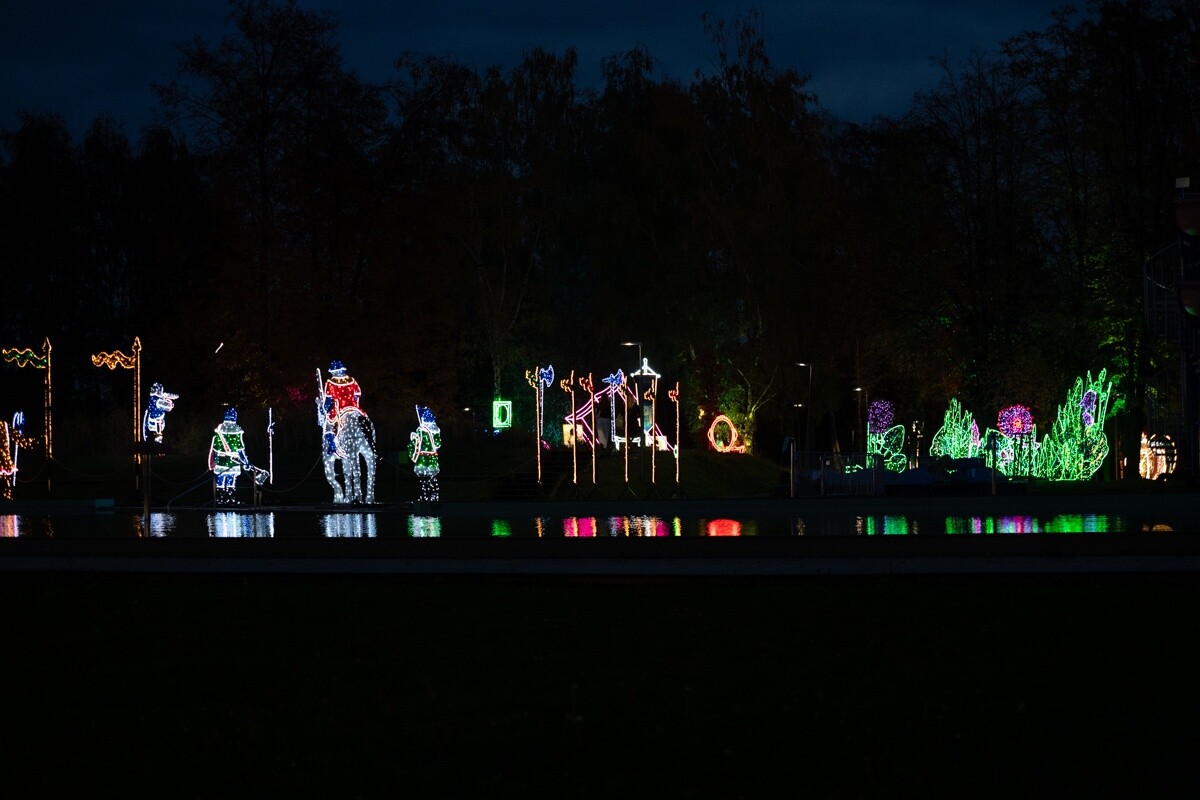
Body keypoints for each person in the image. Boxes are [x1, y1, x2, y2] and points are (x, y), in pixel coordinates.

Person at [208, 407, 265, 504]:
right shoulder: (236, 432)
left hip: (221, 460)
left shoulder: (219, 432)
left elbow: (215, 448)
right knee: (231, 479)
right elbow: (240, 450)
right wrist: (246, 462)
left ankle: (220, 499)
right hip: (233, 461)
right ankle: (231, 499)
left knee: (221, 480)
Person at [322, 360, 364, 456]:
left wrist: (324, 409)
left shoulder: (330, 383)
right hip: (354, 408)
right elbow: (357, 394)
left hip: (339, 409)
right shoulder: (353, 381)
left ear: (332, 372)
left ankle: (332, 447)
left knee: (328, 424)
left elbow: (328, 401)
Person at [407, 405, 441, 502]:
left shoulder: (421, 430)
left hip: (423, 458)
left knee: (424, 480)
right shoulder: (436, 431)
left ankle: (425, 497)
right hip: (433, 458)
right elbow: (438, 444)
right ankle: (434, 496)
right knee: (433, 479)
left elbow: (416, 442)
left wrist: (413, 438)